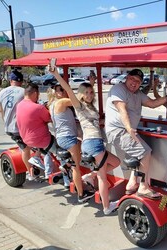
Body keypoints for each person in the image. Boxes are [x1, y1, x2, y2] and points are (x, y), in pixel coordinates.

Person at [50, 66, 120, 214]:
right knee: (102, 177)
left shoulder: (89, 106)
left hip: (94, 142)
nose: (89, 95)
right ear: (80, 95)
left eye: (91, 92)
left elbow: (93, 120)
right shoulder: (79, 106)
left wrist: (92, 83)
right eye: (86, 93)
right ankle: (107, 207)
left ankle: (89, 175)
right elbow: (68, 89)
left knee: (116, 162)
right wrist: (56, 73)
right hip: (93, 143)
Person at [105, 69, 167, 200]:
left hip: (126, 130)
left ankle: (131, 183)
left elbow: (152, 104)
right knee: (145, 152)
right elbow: (122, 109)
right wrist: (129, 128)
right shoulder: (119, 89)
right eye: (132, 79)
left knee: (141, 153)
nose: (134, 83)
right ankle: (143, 186)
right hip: (118, 130)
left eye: (138, 81)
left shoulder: (138, 94)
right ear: (127, 78)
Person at [47, 84, 93, 203]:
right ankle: (81, 194)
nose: (63, 91)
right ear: (55, 92)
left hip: (62, 138)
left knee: (76, 159)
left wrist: (89, 87)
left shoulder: (52, 104)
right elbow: (78, 100)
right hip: (68, 138)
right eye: (60, 90)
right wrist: (88, 90)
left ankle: (66, 166)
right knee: (76, 167)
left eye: (64, 89)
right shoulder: (61, 102)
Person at [0, 70, 45, 176]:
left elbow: (1, 111)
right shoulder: (24, 92)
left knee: (26, 146)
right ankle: (31, 172)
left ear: (11, 81)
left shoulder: (1, 92)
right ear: (22, 81)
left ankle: (35, 162)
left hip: (9, 127)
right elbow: (33, 107)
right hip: (21, 127)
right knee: (27, 147)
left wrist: (7, 123)